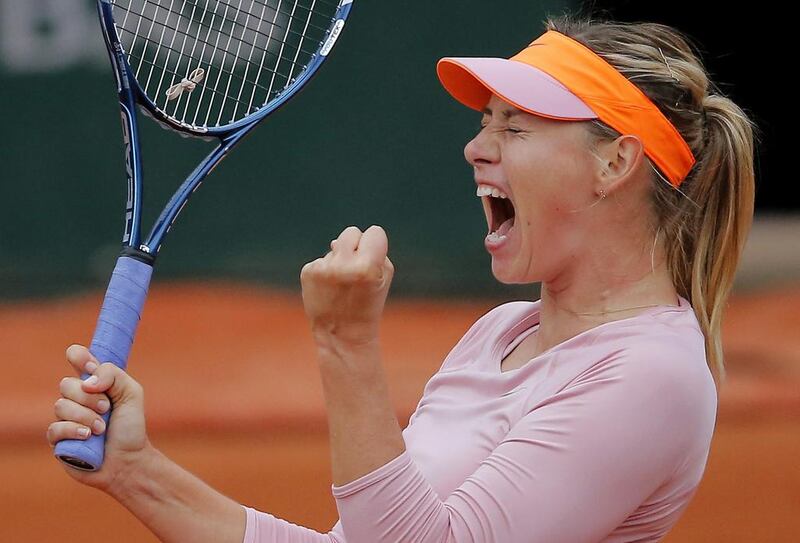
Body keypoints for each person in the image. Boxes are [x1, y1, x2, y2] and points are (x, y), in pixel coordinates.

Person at [47, 13, 755, 543]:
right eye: (485, 122)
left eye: (515, 127)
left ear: (614, 163)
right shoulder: (501, 333)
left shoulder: (648, 375)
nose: (476, 146)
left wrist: (346, 346)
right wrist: (137, 470)